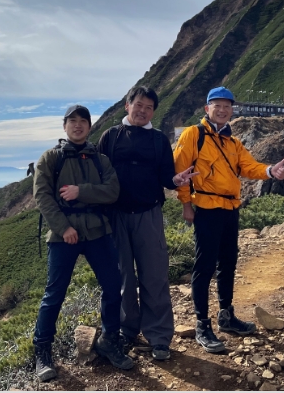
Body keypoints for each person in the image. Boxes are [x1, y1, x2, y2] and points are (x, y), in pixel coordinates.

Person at [173, 86, 284, 353]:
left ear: (232, 110)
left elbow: (248, 166)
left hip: (229, 208)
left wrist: (270, 170)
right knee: (204, 266)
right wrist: (185, 203)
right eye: (217, 105)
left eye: (227, 106)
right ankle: (202, 324)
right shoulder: (194, 134)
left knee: (228, 261)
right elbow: (181, 169)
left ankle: (226, 315)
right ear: (207, 108)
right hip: (205, 206)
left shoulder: (233, 142)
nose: (223, 110)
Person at [32, 105, 134, 382]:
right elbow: (42, 197)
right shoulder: (50, 159)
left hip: (98, 232)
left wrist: (82, 191)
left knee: (113, 286)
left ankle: (108, 340)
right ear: (64, 126)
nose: (78, 126)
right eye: (72, 121)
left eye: (83, 122)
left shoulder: (99, 160)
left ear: (90, 127)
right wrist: (63, 227)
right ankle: (42, 351)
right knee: (55, 294)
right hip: (63, 235)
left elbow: (112, 192)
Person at [97, 86, 197, 361]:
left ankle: (159, 336)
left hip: (149, 214)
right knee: (124, 278)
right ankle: (128, 331)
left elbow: (167, 176)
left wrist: (176, 181)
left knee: (154, 275)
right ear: (127, 106)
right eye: (138, 105)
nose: (142, 111)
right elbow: (98, 174)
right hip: (116, 216)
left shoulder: (158, 140)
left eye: (148, 107)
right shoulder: (110, 137)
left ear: (153, 111)